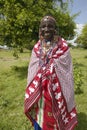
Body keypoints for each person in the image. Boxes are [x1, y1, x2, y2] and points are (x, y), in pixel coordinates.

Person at [24, 15, 78, 130]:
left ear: (55, 29)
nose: (46, 29)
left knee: (55, 119)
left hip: (57, 93)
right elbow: (32, 70)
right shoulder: (37, 47)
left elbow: (66, 72)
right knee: (40, 117)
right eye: (43, 26)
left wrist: (50, 69)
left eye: (50, 26)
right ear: (40, 30)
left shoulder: (63, 47)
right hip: (40, 93)